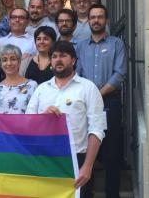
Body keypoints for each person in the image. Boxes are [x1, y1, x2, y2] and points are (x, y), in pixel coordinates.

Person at [26, 41, 107, 198]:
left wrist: (87, 167)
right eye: (54, 56)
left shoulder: (88, 88)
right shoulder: (41, 89)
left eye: (63, 56)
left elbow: (97, 130)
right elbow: (28, 124)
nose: (58, 60)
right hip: (45, 159)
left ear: (73, 60)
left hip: (76, 159)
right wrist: (43, 117)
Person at [76, 4, 127, 198]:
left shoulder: (117, 44)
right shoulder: (80, 46)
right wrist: (89, 97)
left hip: (110, 103)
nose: (96, 20)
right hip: (86, 105)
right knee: (86, 150)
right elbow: (77, 74)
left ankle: (112, 194)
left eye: (100, 17)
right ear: (88, 20)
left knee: (112, 153)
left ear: (106, 20)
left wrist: (97, 95)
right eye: (93, 17)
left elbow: (119, 74)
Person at [0, 44, 37, 114]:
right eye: (4, 60)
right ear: (0, 64)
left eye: (13, 59)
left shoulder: (32, 86)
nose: (9, 63)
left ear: (19, 62)